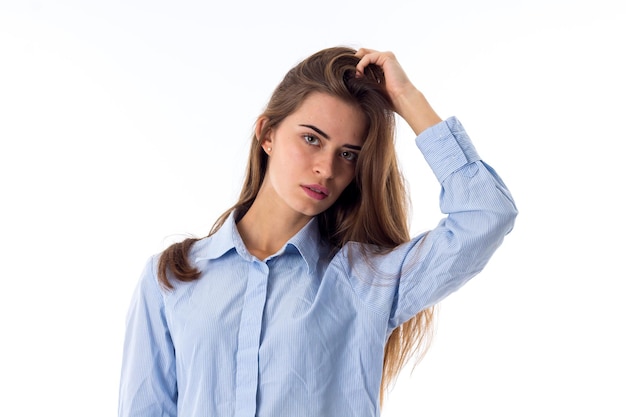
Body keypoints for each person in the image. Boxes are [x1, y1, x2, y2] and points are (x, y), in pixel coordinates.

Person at [118, 46, 517, 417]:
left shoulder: (367, 280)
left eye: (347, 154)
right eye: (311, 139)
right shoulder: (172, 277)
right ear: (267, 134)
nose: (326, 168)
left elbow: (486, 213)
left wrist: (408, 99)